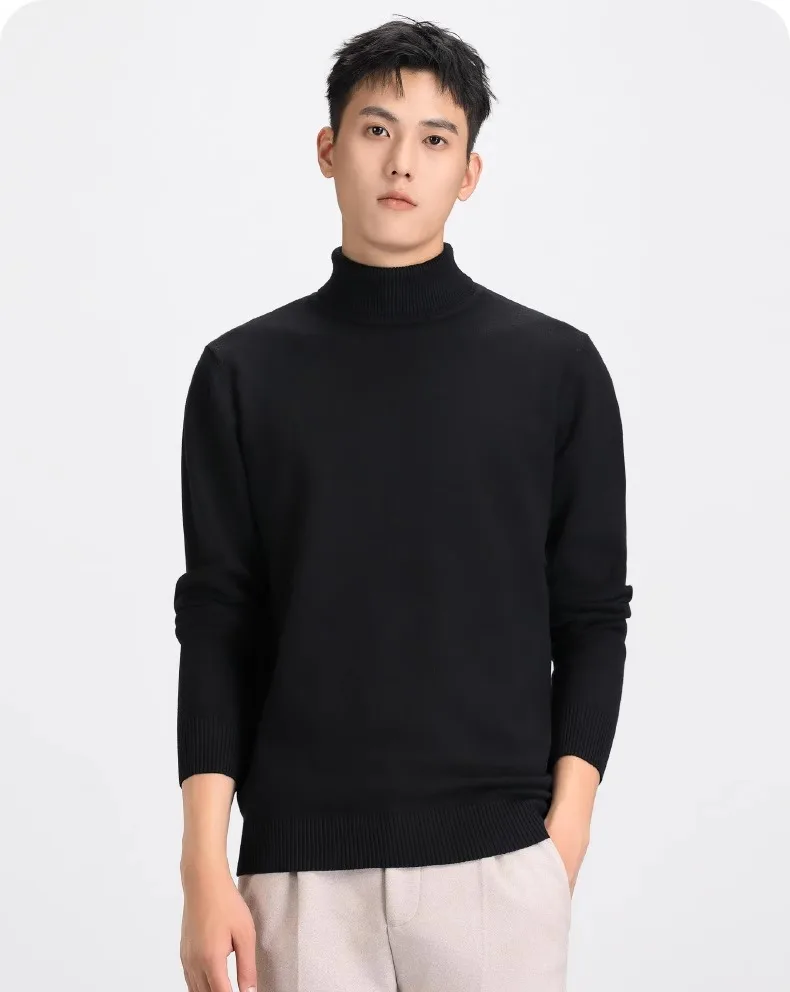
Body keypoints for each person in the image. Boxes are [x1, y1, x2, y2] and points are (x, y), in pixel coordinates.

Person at [175, 15, 633, 992]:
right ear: (327, 148)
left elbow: (592, 615)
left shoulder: (554, 369)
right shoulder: (243, 374)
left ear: (469, 173)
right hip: (297, 877)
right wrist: (202, 866)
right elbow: (218, 620)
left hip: (499, 870)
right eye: (376, 129)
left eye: (435, 138)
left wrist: (563, 837)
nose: (401, 162)